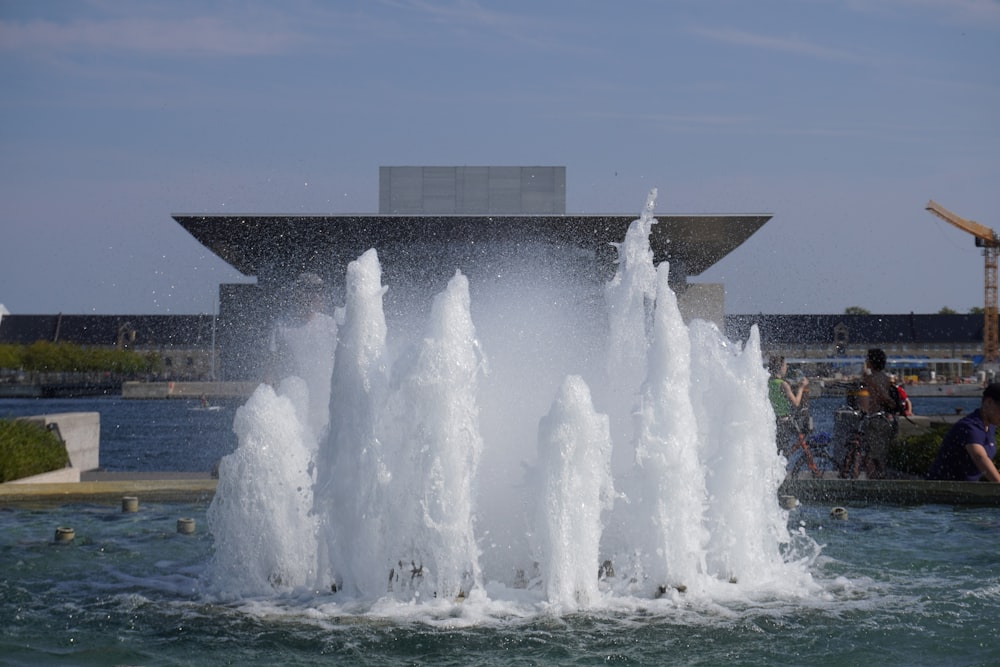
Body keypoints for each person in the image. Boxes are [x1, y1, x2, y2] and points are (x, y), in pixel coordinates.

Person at [927, 383, 1000, 482]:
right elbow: (979, 457)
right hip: (943, 491)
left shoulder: (990, 425)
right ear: (988, 402)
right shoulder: (969, 427)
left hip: (966, 490)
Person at [767, 355, 819, 476]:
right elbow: (796, 403)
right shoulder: (784, 385)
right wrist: (801, 387)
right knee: (784, 453)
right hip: (785, 422)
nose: (786, 367)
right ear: (780, 367)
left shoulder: (768, 382)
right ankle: (780, 478)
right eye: (785, 365)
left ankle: (774, 475)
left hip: (773, 422)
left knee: (777, 452)